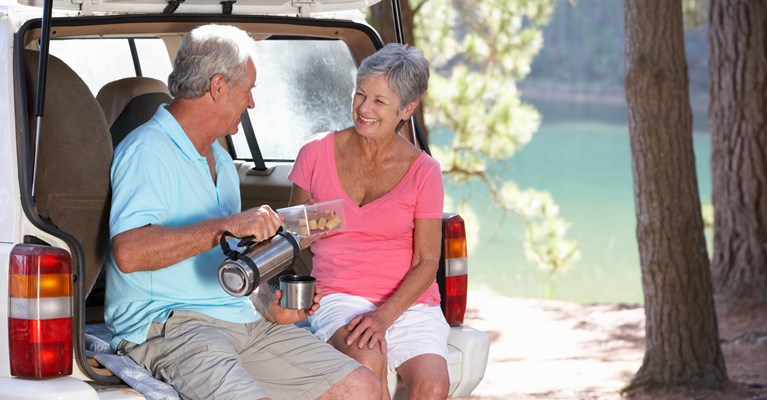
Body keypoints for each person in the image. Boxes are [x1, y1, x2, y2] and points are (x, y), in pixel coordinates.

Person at [104, 24, 380, 400]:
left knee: (362, 386)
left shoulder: (219, 158)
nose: (252, 102)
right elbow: (129, 252)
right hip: (173, 325)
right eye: (248, 89)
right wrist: (227, 225)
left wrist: (268, 304)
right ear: (218, 87)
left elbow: (228, 263)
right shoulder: (147, 150)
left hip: (242, 320)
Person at [287, 43, 450, 400]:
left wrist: (383, 317)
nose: (363, 108)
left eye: (379, 102)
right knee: (368, 363)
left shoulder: (424, 172)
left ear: (407, 108)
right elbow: (291, 240)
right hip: (340, 297)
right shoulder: (315, 153)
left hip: (409, 302)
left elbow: (427, 262)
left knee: (433, 385)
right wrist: (308, 234)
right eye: (360, 94)